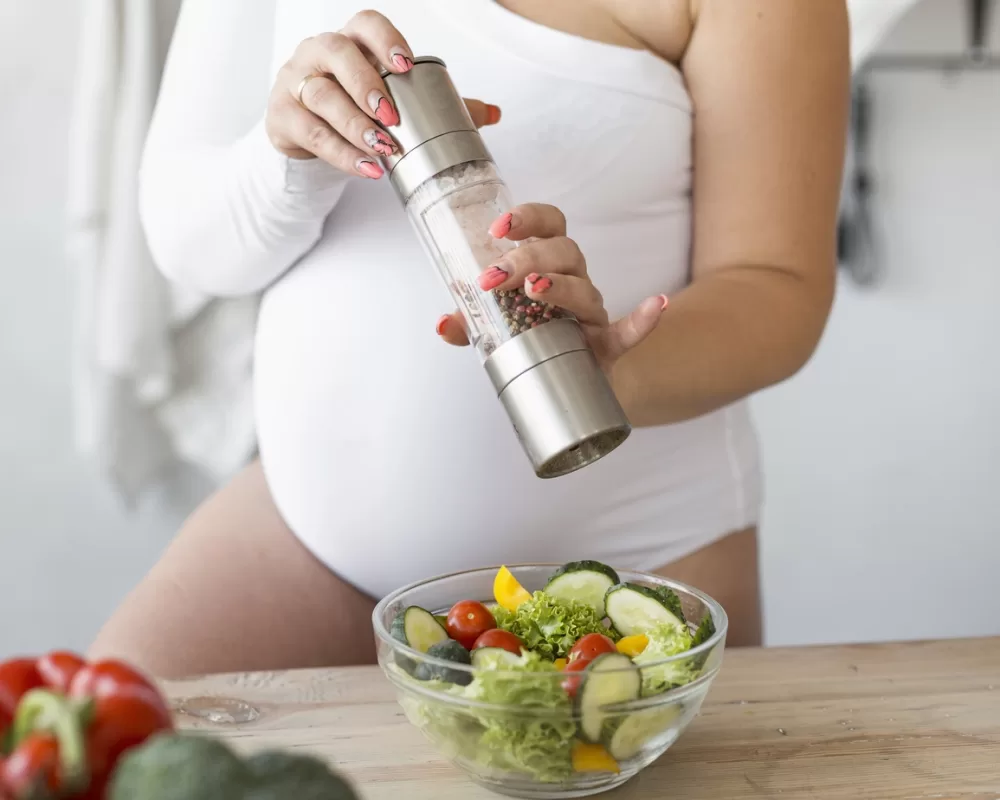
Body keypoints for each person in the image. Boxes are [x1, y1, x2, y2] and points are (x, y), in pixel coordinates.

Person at [90, 0, 849, 677]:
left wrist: (613, 371)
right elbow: (190, 247)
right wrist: (289, 159)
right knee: (98, 758)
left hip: (636, 558)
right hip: (306, 547)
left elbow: (776, 283)